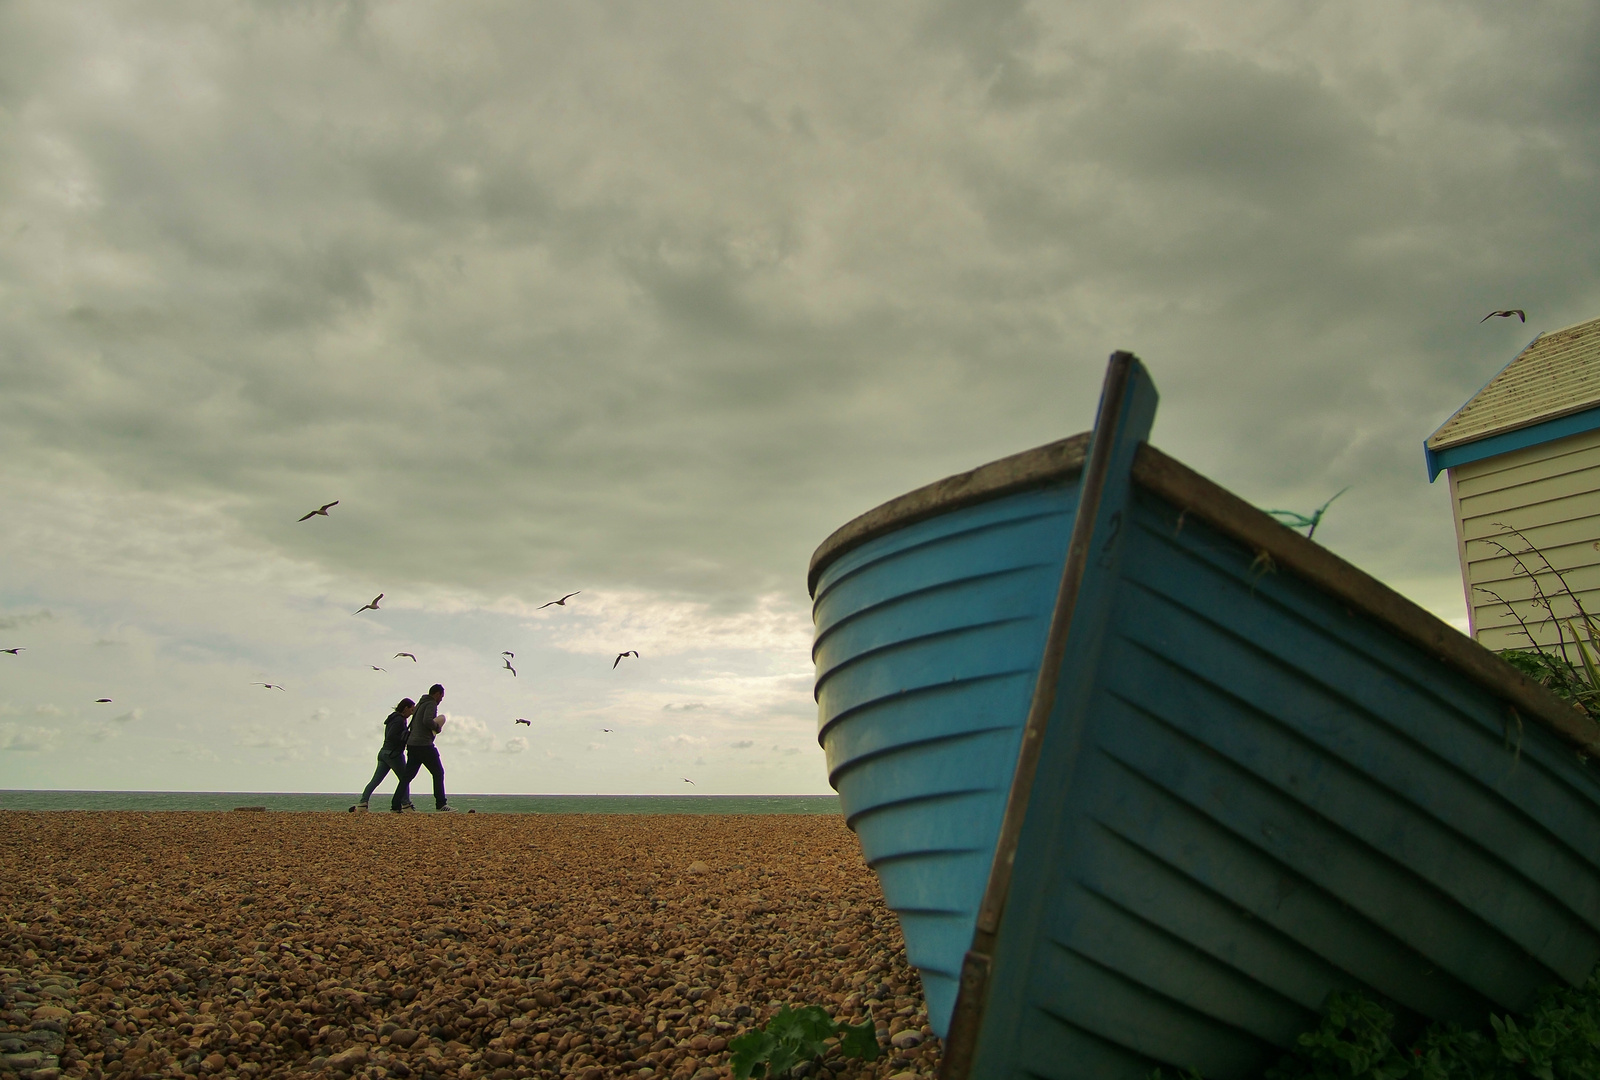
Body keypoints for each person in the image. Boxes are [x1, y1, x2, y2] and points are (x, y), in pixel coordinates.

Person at [392, 683, 452, 813]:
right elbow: (426, 721)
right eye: (441, 696)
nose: (441, 699)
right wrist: (437, 727)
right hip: (424, 745)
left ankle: (395, 806)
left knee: (407, 777)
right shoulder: (431, 704)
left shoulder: (419, 704)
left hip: (413, 745)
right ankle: (441, 804)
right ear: (437, 694)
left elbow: (415, 724)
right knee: (438, 772)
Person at [350, 698, 415, 813]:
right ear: (406, 708)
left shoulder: (393, 718)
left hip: (384, 753)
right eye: (411, 709)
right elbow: (392, 736)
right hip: (393, 754)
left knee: (375, 780)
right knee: (405, 779)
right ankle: (406, 804)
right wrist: (405, 737)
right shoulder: (399, 720)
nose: (412, 713)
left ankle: (362, 804)